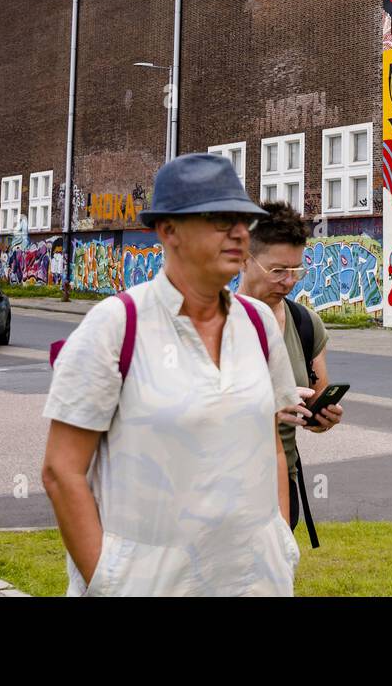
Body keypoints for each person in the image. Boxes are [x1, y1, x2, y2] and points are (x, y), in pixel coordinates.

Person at [41, 153, 312, 596]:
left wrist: (280, 543)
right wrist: (110, 582)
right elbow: (60, 471)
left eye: (243, 220)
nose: (240, 233)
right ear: (168, 230)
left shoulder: (259, 324)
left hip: (252, 585)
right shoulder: (115, 326)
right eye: (220, 219)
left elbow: (271, 446)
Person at [238, 202, 344, 543]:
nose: (289, 281)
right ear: (243, 259)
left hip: (284, 480)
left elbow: (314, 402)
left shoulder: (305, 324)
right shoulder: (214, 323)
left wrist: (321, 417)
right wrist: (268, 407)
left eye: (296, 270)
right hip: (226, 482)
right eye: (277, 270)